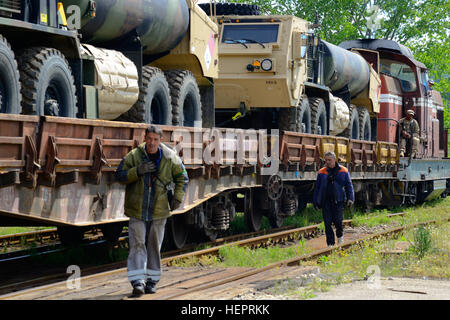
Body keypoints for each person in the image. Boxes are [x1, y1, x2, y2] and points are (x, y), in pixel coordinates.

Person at [115, 125, 189, 297]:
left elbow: (182, 178)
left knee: (154, 246)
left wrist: (178, 198)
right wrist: (137, 171)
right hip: (137, 210)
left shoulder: (170, 157)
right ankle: (138, 283)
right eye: (149, 139)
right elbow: (119, 175)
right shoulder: (134, 156)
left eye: (155, 139)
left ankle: (152, 282)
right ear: (144, 138)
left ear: (160, 140)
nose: (152, 142)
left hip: (159, 211)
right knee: (137, 245)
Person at [313, 151, 354, 247]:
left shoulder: (343, 171)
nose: (327, 162)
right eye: (326, 160)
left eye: (329, 160)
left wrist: (350, 198)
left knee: (338, 221)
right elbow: (317, 188)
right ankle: (330, 244)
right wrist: (315, 201)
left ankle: (340, 237)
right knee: (327, 223)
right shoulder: (321, 172)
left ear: (334, 159)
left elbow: (349, 186)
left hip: (339, 201)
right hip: (326, 202)